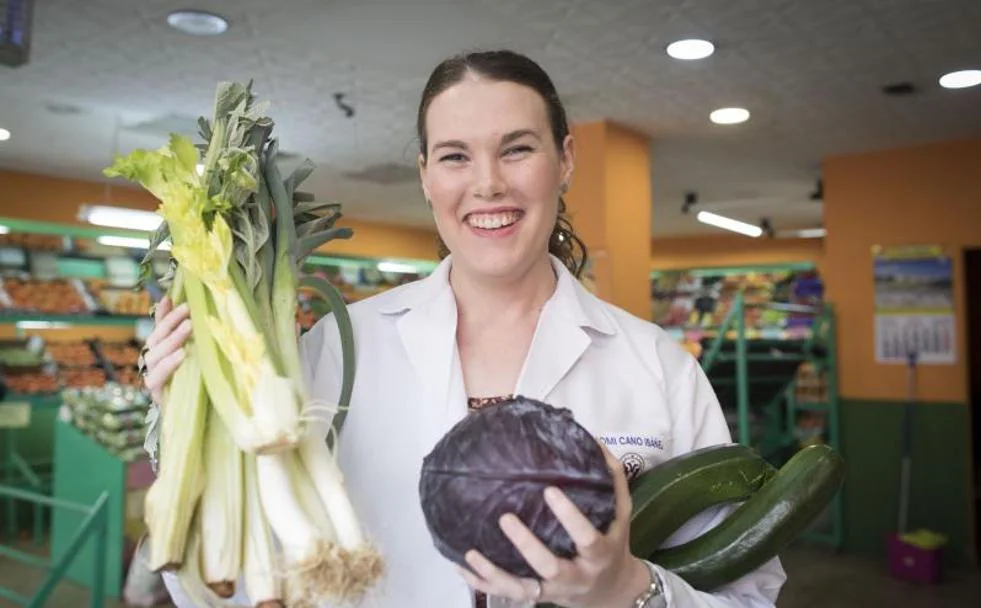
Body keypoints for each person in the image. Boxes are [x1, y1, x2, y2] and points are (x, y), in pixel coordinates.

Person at [145, 49, 786, 608]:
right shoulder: (336, 352)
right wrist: (189, 427)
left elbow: (749, 598)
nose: (487, 184)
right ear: (425, 175)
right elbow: (223, 589)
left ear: (564, 160)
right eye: (455, 156)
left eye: (517, 148)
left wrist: (623, 590)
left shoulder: (659, 367)